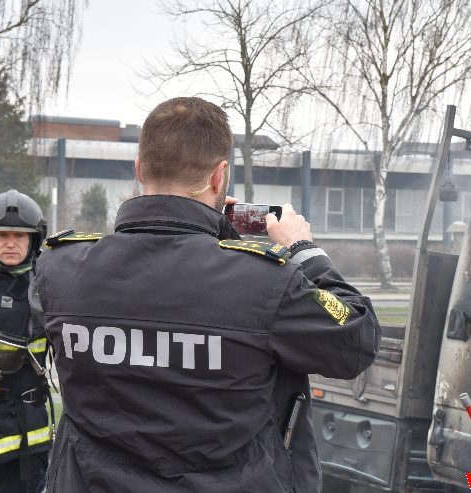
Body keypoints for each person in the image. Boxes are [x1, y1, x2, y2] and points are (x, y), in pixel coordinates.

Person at [30, 96, 381, 492]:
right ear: (220, 176)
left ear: (139, 168)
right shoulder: (265, 284)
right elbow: (357, 337)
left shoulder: (60, 271)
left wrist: (213, 237)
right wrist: (303, 251)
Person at [0, 190, 51, 493]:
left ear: (34, 241)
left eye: (20, 236)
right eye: (2, 235)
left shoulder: (47, 286)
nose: (10, 243)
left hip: (24, 428)